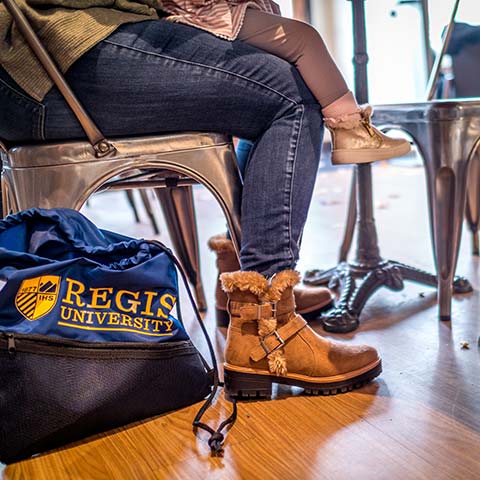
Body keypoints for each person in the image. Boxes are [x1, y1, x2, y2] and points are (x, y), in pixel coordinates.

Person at [0, 0, 381, 397]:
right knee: (290, 93)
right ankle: (266, 326)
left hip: (30, 66)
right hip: (55, 55)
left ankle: (243, 280)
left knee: (264, 79)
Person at [160, 0, 411, 165]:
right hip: (202, 16)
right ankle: (351, 129)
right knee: (305, 39)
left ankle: (234, 231)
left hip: (203, 15)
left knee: (262, 117)